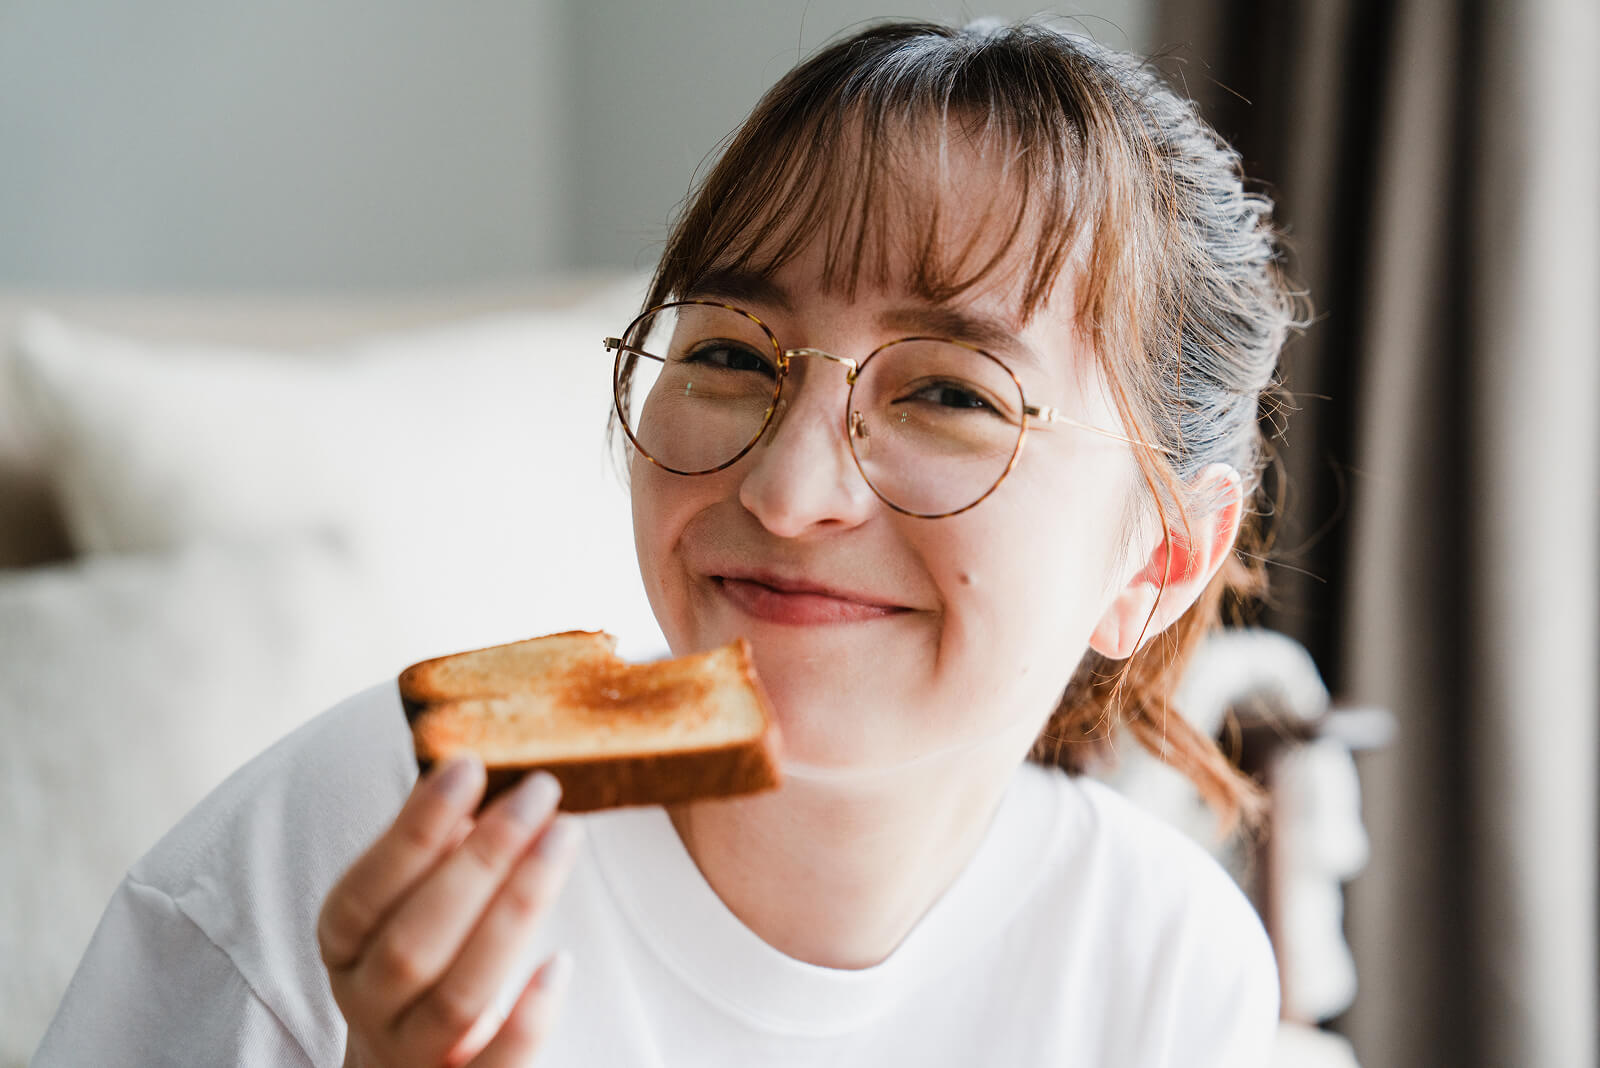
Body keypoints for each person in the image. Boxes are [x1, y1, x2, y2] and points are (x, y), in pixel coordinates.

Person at [36, 17, 1300, 1067]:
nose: (793, 489)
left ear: (1160, 559)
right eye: (732, 356)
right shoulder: (364, 833)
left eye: (949, 392)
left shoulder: (1164, 968)